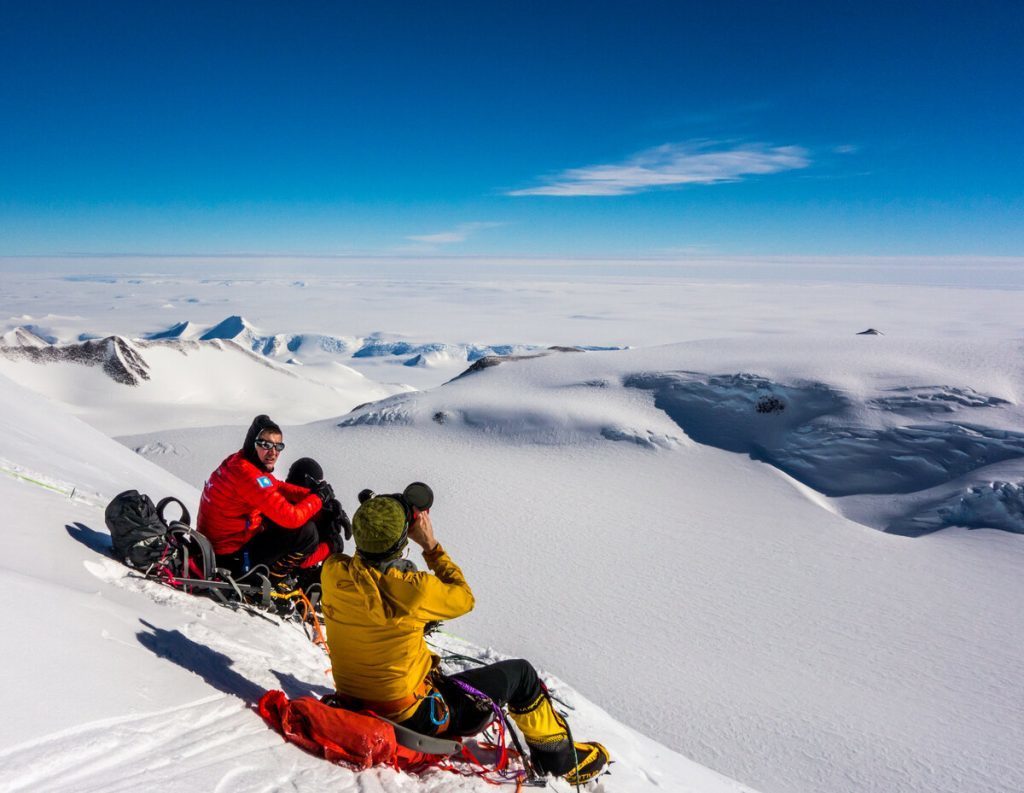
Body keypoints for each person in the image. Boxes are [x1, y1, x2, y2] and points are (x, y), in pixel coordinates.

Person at [319, 489, 610, 785]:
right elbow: (463, 597)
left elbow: (366, 567)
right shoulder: (415, 591)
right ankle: (560, 760)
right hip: (414, 717)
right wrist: (430, 546)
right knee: (521, 675)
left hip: (353, 700)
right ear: (400, 543)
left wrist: (377, 520)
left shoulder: (332, 571)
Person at [197, 415, 344, 597]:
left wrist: (318, 500)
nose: (273, 452)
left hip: (222, 545)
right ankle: (265, 584)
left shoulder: (241, 462)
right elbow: (291, 518)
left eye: (278, 446)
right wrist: (319, 499)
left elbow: (275, 485)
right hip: (230, 558)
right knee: (306, 533)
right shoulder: (247, 475)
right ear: (253, 443)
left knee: (284, 519)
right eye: (265, 444)